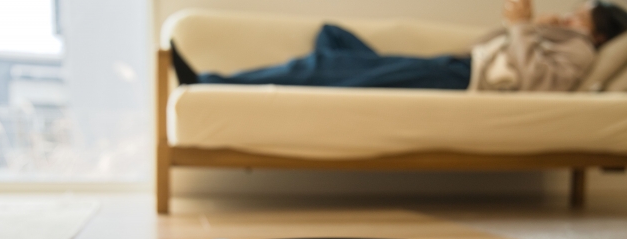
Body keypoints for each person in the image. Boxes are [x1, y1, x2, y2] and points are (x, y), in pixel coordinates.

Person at [172, 0, 627, 92]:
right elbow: (486, 44)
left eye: (578, 17)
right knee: (333, 35)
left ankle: (212, 82)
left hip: (463, 79)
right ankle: (338, 67)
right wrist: (526, 30)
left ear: (598, 33)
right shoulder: (556, 38)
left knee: (325, 61)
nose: (568, 17)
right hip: (457, 63)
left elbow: (540, 82)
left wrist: (524, 28)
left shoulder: (581, 51)